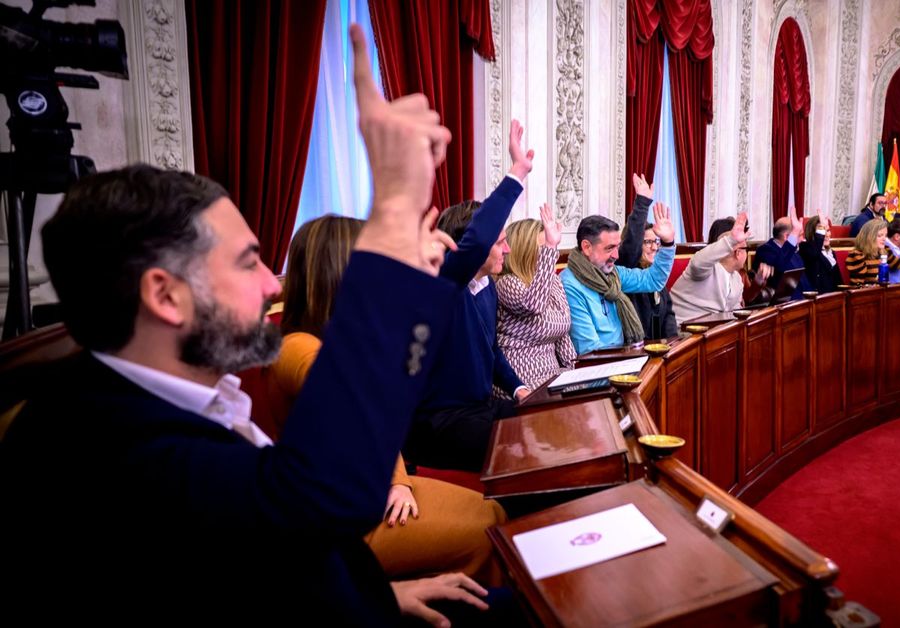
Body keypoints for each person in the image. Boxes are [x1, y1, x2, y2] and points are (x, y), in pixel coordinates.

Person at [0, 24, 489, 625]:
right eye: (247, 261)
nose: (271, 285)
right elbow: (321, 503)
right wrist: (390, 212)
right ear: (166, 296)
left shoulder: (154, 398)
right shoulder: (89, 445)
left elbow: (254, 564)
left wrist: (383, 595)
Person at [267, 215, 507, 587]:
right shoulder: (298, 348)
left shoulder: (343, 337)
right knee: (487, 529)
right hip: (337, 513)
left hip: (371, 483)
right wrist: (398, 482)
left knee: (493, 514)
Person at [405, 119, 533, 472]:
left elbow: (491, 351)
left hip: (479, 409)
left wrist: (519, 388)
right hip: (439, 422)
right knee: (519, 450)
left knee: (543, 420)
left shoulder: (487, 287)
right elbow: (477, 241)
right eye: (500, 241)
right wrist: (517, 174)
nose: (507, 250)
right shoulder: (445, 284)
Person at [562, 208, 676, 355]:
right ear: (587, 247)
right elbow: (589, 350)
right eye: (609, 248)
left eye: (617, 247)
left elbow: (654, 280)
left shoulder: (613, 274)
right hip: (604, 363)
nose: (616, 255)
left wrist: (668, 243)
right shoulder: (569, 285)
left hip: (625, 355)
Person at [495, 203, 576, 390]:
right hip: (520, 383)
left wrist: (576, 372)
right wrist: (551, 247)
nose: (551, 253)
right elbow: (534, 305)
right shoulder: (507, 282)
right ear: (524, 250)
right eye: (544, 246)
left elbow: (562, 332)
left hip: (552, 378)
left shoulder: (553, 281)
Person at [617, 173, 678, 340]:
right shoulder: (627, 269)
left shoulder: (655, 272)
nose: (654, 247)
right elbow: (631, 246)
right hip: (634, 349)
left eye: (656, 242)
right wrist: (642, 204)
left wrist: (673, 345)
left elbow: (668, 316)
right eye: (648, 242)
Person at [670, 213, 753, 321]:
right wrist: (731, 241)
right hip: (681, 327)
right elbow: (699, 261)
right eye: (746, 250)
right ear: (738, 253)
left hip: (714, 327)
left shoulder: (737, 279)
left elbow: (735, 312)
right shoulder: (705, 269)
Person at [754, 205, 809, 294]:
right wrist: (794, 233)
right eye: (800, 235)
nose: (802, 239)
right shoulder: (765, 250)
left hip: (804, 299)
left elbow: (804, 282)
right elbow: (780, 267)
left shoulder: (794, 251)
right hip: (786, 301)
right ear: (787, 236)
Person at [798, 214, 841, 293]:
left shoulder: (831, 252)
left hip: (833, 296)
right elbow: (814, 254)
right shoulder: (805, 248)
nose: (827, 235)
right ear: (812, 233)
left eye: (828, 230)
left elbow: (837, 280)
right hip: (817, 297)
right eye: (822, 231)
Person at [845, 218, 888, 286]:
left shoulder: (883, 253)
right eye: (880, 236)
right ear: (869, 237)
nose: (884, 239)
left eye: (885, 235)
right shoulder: (858, 256)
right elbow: (857, 286)